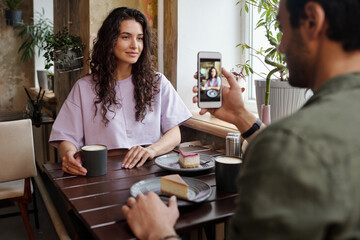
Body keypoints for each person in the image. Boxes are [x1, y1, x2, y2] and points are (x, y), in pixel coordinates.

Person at [121, 0, 360, 239]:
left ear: (311, 20)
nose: (281, 46)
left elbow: (290, 149)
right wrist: (240, 115)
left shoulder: (291, 144)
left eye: (282, 28)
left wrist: (160, 232)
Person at [49, 7, 191, 176]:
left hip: (150, 171)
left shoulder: (157, 82)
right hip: (102, 174)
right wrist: (69, 155)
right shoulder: (84, 87)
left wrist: (151, 151)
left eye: (140, 38)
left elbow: (175, 134)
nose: (135, 45)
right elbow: (67, 137)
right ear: (109, 40)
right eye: (125, 37)